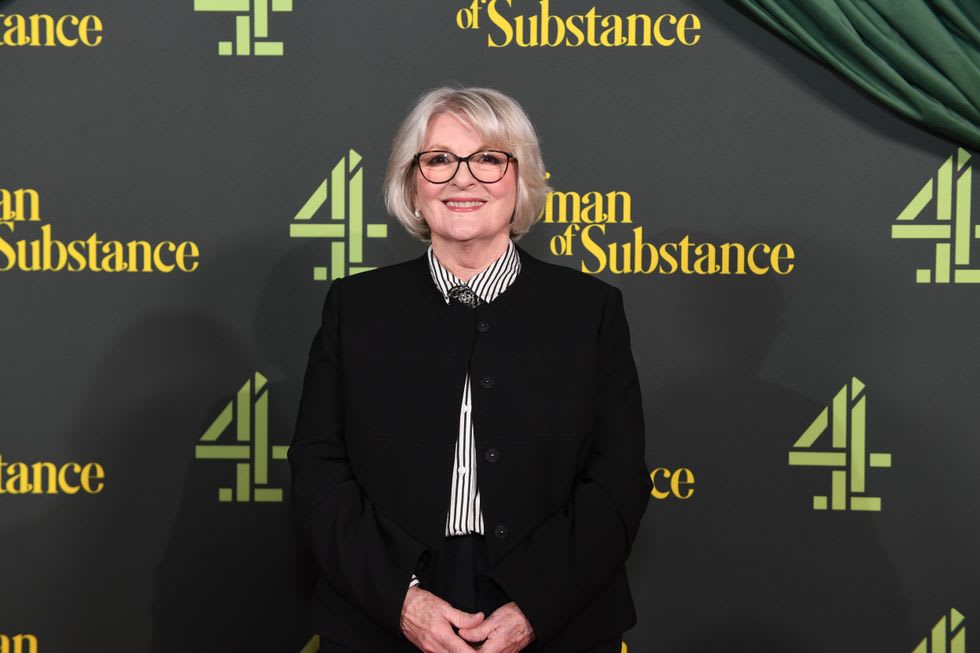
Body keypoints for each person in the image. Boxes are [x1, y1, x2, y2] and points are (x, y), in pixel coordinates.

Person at [289, 87, 650, 653]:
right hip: (381, 608)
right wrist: (401, 599)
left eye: (487, 159)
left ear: (520, 179)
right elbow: (319, 470)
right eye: (439, 160)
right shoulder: (354, 309)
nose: (463, 180)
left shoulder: (590, 310)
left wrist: (537, 603)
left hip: (559, 609)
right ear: (413, 183)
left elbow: (617, 477)